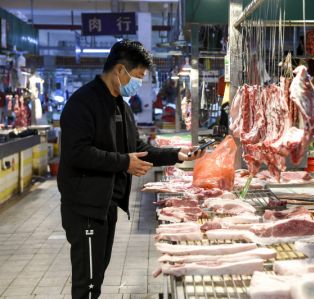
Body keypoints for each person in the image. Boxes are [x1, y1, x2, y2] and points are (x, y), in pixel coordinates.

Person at [57, 40, 205, 299]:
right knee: (87, 283)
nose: (137, 84)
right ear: (120, 70)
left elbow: (136, 146)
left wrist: (177, 155)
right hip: (85, 208)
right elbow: (77, 153)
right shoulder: (82, 103)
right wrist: (124, 162)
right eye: (137, 77)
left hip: (106, 205)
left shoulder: (120, 106)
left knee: (97, 276)